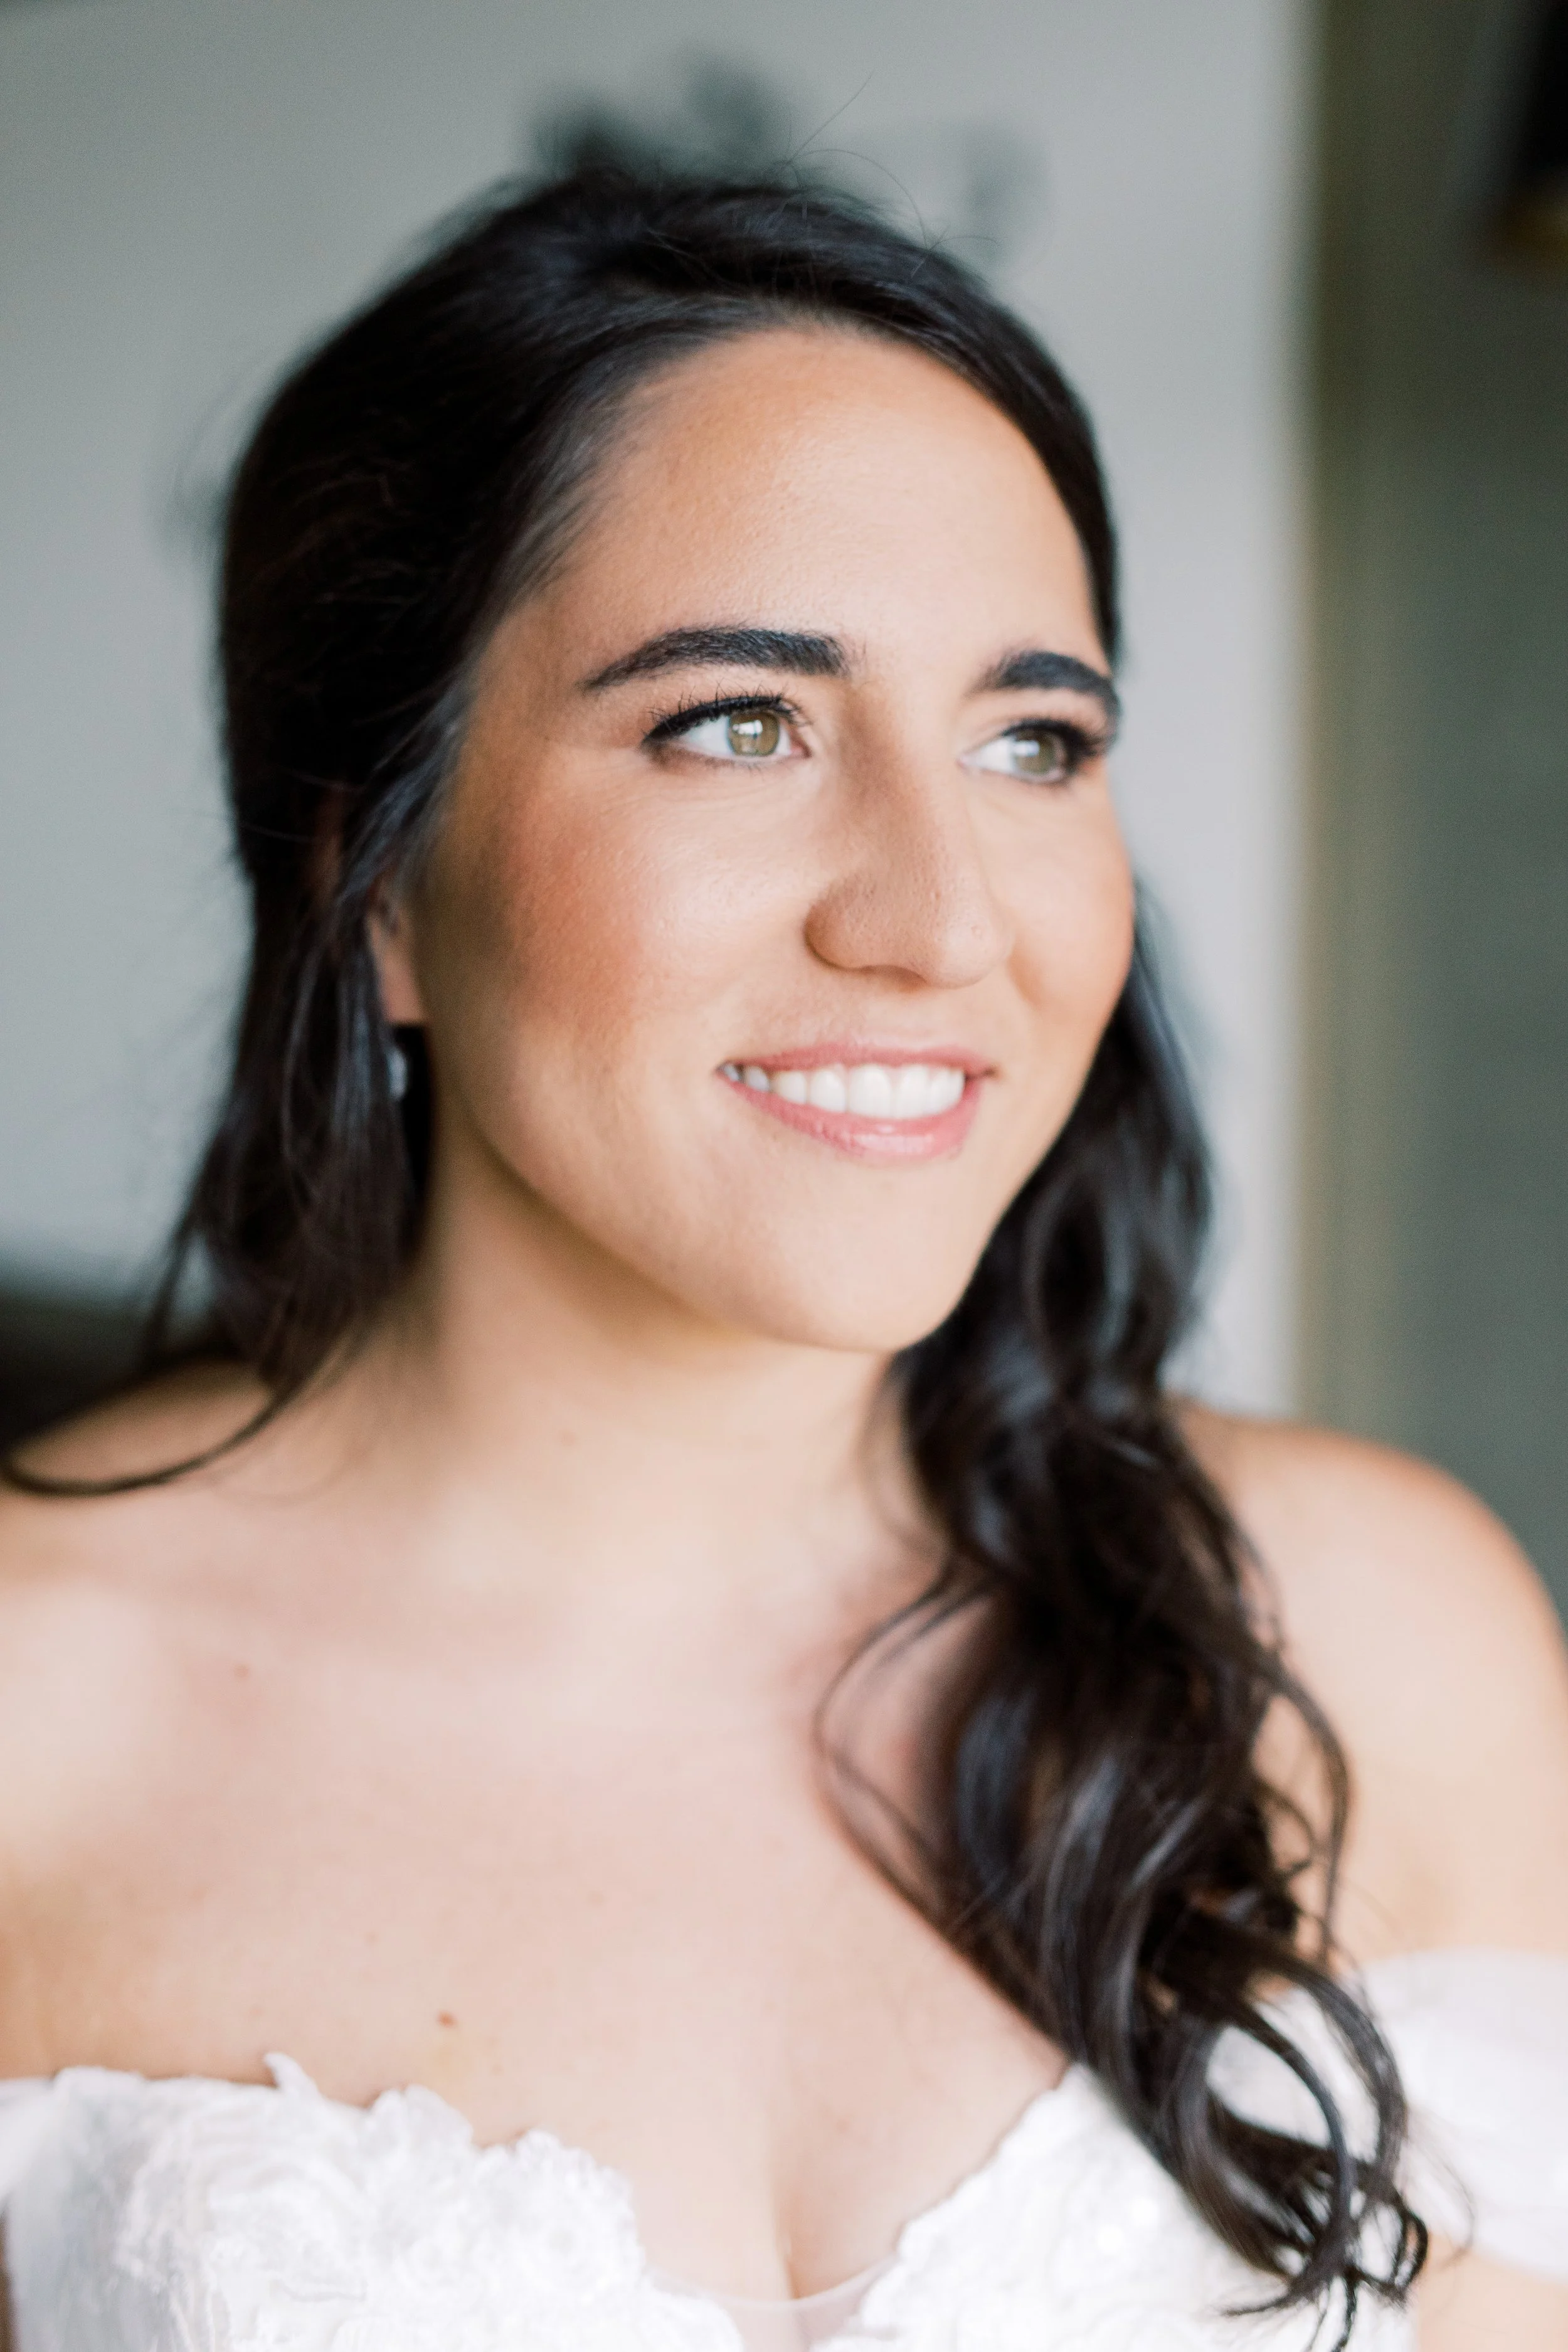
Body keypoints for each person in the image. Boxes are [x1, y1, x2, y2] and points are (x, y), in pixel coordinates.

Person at [0, 168, 1564, 2352]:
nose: (935, 919)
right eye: (737, 722)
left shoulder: (1381, 1642)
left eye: (1032, 742)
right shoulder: (34, 1718)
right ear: (373, 882)